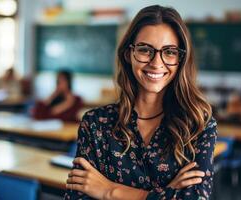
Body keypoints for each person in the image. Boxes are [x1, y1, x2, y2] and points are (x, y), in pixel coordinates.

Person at [64, 5, 217, 200]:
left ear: (181, 59)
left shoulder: (198, 124)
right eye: (145, 50)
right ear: (129, 54)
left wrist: (110, 191)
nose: (156, 63)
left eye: (169, 52)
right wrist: (166, 193)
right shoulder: (95, 123)